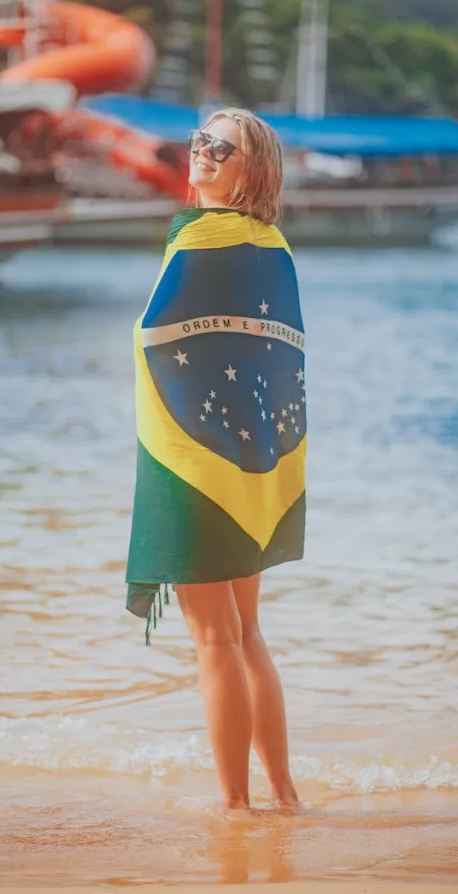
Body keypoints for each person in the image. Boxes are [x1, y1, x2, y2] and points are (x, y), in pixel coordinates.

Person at [125, 108, 307, 812]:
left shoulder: (196, 236)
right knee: (245, 632)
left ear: (248, 168)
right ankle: (284, 797)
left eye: (219, 147)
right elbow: (272, 361)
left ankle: (236, 807)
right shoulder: (272, 245)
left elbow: (157, 336)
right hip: (250, 459)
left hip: (188, 460)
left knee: (214, 640)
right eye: (198, 141)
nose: (200, 152)